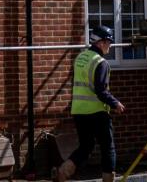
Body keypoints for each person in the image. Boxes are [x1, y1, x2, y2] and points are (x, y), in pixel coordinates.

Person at [54, 25, 125, 182]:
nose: (110, 45)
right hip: (97, 112)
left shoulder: (81, 57)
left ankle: (62, 172)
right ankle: (108, 179)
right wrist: (115, 103)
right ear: (100, 42)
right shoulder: (101, 63)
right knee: (108, 148)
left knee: (86, 147)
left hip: (79, 111)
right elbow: (101, 90)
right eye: (108, 41)